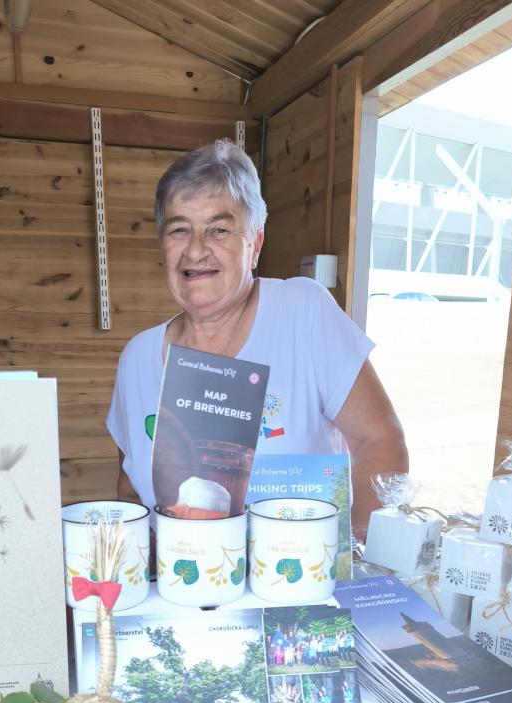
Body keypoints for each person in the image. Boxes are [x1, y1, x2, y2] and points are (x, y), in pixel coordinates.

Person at [106, 139, 408, 539]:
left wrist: (358, 551)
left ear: (255, 245)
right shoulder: (138, 358)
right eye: (179, 229)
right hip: (183, 572)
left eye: (219, 230)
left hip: (302, 571)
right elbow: (130, 490)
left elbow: (379, 440)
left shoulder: (302, 311)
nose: (196, 250)